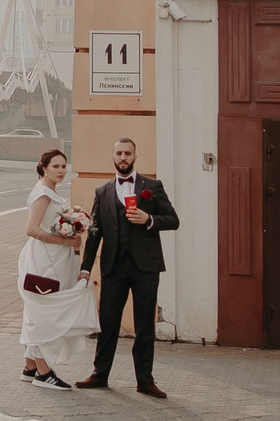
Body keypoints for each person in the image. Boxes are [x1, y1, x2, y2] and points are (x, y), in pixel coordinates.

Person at [77, 134, 179, 396]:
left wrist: (148, 218)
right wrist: (86, 269)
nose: (123, 157)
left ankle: (145, 380)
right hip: (114, 267)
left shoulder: (152, 186)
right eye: (119, 153)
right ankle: (100, 374)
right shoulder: (103, 192)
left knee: (144, 324)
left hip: (146, 267)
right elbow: (95, 233)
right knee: (108, 323)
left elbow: (172, 219)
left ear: (135, 156)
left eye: (128, 153)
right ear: (112, 156)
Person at [18, 148, 95, 389]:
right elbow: (31, 229)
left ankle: (30, 366)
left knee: (41, 311)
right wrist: (64, 240)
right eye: (56, 167)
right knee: (44, 314)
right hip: (44, 260)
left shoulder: (50, 191)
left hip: (55, 259)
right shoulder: (42, 193)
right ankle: (43, 372)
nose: (61, 171)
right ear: (44, 167)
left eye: (63, 166)